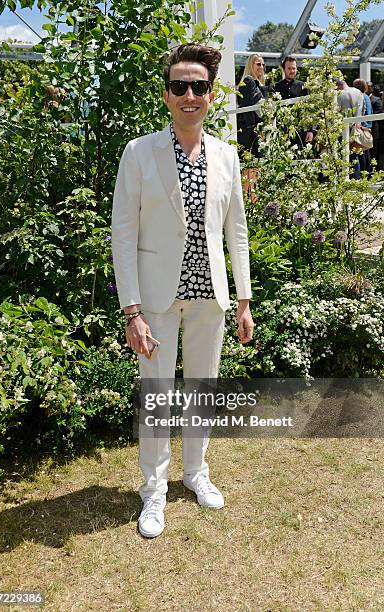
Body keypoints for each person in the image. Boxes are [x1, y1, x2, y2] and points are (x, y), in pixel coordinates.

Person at [111, 43, 254, 538]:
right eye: (179, 86)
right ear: (167, 94)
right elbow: (123, 234)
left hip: (210, 296)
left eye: (198, 86)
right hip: (155, 298)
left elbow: (236, 230)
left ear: (210, 95)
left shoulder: (227, 155)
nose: (189, 94)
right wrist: (132, 311)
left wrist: (243, 299)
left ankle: (196, 473)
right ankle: (154, 491)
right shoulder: (139, 152)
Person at [274, 56, 315, 148]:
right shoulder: (276, 87)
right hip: (282, 130)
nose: (292, 71)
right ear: (283, 69)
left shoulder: (303, 86)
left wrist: (310, 130)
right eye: (289, 68)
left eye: (294, 68)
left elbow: (308, 109)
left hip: (300, 130)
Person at [236, 53, 268, 157]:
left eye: (263, 65)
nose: (261, 67)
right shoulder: (248, 81)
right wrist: (253, 130)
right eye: (258, 64)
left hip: (256, 131)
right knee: (251, 165)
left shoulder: (257, 84)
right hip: (249, 132)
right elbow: (247, 107)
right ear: (251, 65)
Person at [336, 79, 364, 179]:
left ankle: (347, 178)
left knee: (345, 155)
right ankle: (357, 178)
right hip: (357, 126)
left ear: (338, 86)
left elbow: (337, 112)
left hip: (343, 129)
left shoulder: (340, 94)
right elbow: (362, 109)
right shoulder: (358, 92)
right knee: (356, 154)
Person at [353, 78, 373, 173]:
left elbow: (367, 113)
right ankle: (365, 172)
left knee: (363, 152)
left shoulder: (363, 97)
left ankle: (364, 172)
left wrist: (365, 126)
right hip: (364, 126)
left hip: (363, 127)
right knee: (364, 151)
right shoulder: (365, 96)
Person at [369, 84, 383, 170]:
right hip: (374, 129)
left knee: (374, 151)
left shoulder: (375, 100)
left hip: (375, 129)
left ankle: (374, 169)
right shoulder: (376, 100)